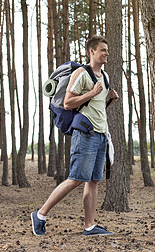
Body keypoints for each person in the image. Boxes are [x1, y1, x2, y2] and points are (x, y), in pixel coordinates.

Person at [31, 36, 118, 236]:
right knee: (76, 178)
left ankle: (89, 226)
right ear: (92, 52)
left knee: (93, 181)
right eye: (102, 50)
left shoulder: (103, 77)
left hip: (100, 134)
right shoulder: (82, 73)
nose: (106, 53)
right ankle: (40, 214)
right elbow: (68, 103)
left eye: (107, 50)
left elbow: (96, 107)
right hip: (85, 134)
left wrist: (109, 100)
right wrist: (92, 92)